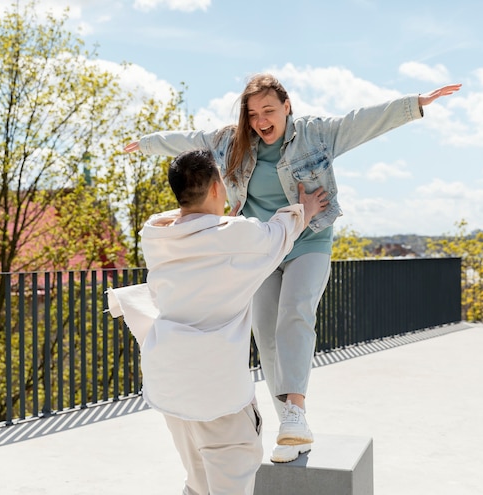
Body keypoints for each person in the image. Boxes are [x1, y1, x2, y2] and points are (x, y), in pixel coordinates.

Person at [124, 74, 461, 462]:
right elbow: (192, 140)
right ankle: (290, 424)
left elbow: (361, 121)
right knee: (265, 334)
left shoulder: (316, 135)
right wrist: (148, 143)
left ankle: (296, 411)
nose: (260, 121)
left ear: (287, 107)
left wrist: (415, 103)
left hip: (309, 241)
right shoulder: (231, 142)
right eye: (252, 115)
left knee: (294, 313)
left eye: (269, 111)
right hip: (265, 248)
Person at [107, 148, 328, 494]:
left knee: (197, 480)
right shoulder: (238, 238)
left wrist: (219, 218)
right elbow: (278, 234)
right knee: (233, 473)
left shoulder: (155, 235)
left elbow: (184, 220)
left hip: (168, 381)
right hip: (214, 388)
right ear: (214, 189)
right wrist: (306, 209)